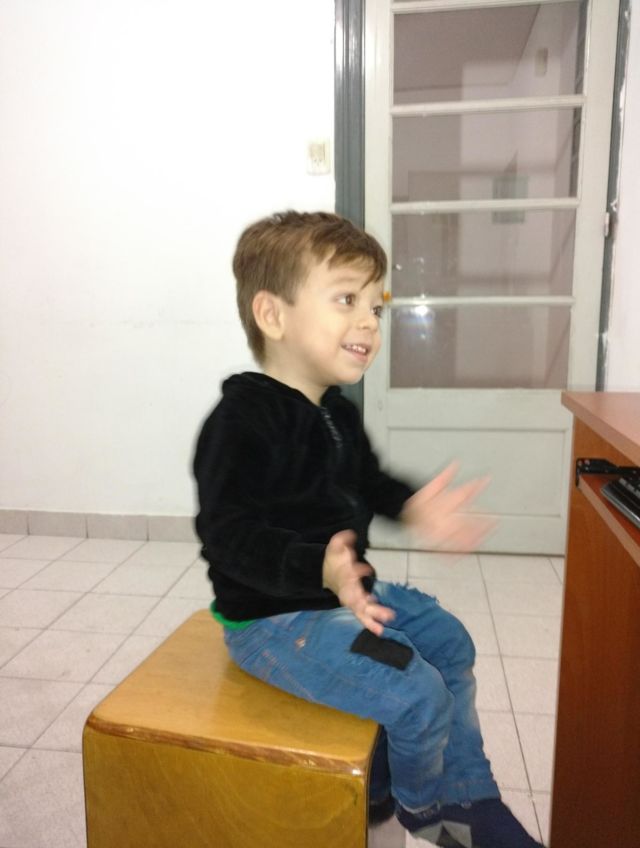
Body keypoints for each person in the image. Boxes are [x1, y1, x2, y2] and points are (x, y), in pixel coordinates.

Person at [193, 211, 544, 848]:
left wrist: (414, 506)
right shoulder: (239, 421)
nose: (369, 322)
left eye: (375, 306)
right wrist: (316, 568)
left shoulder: (336, 412)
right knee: (415, 689)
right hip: (276, 621)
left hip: (350, 598)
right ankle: (424, 809)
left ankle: (468, 790)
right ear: (273, 315)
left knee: (449, 642)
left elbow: (370, 482)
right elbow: (227, 534)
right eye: (346, 300)